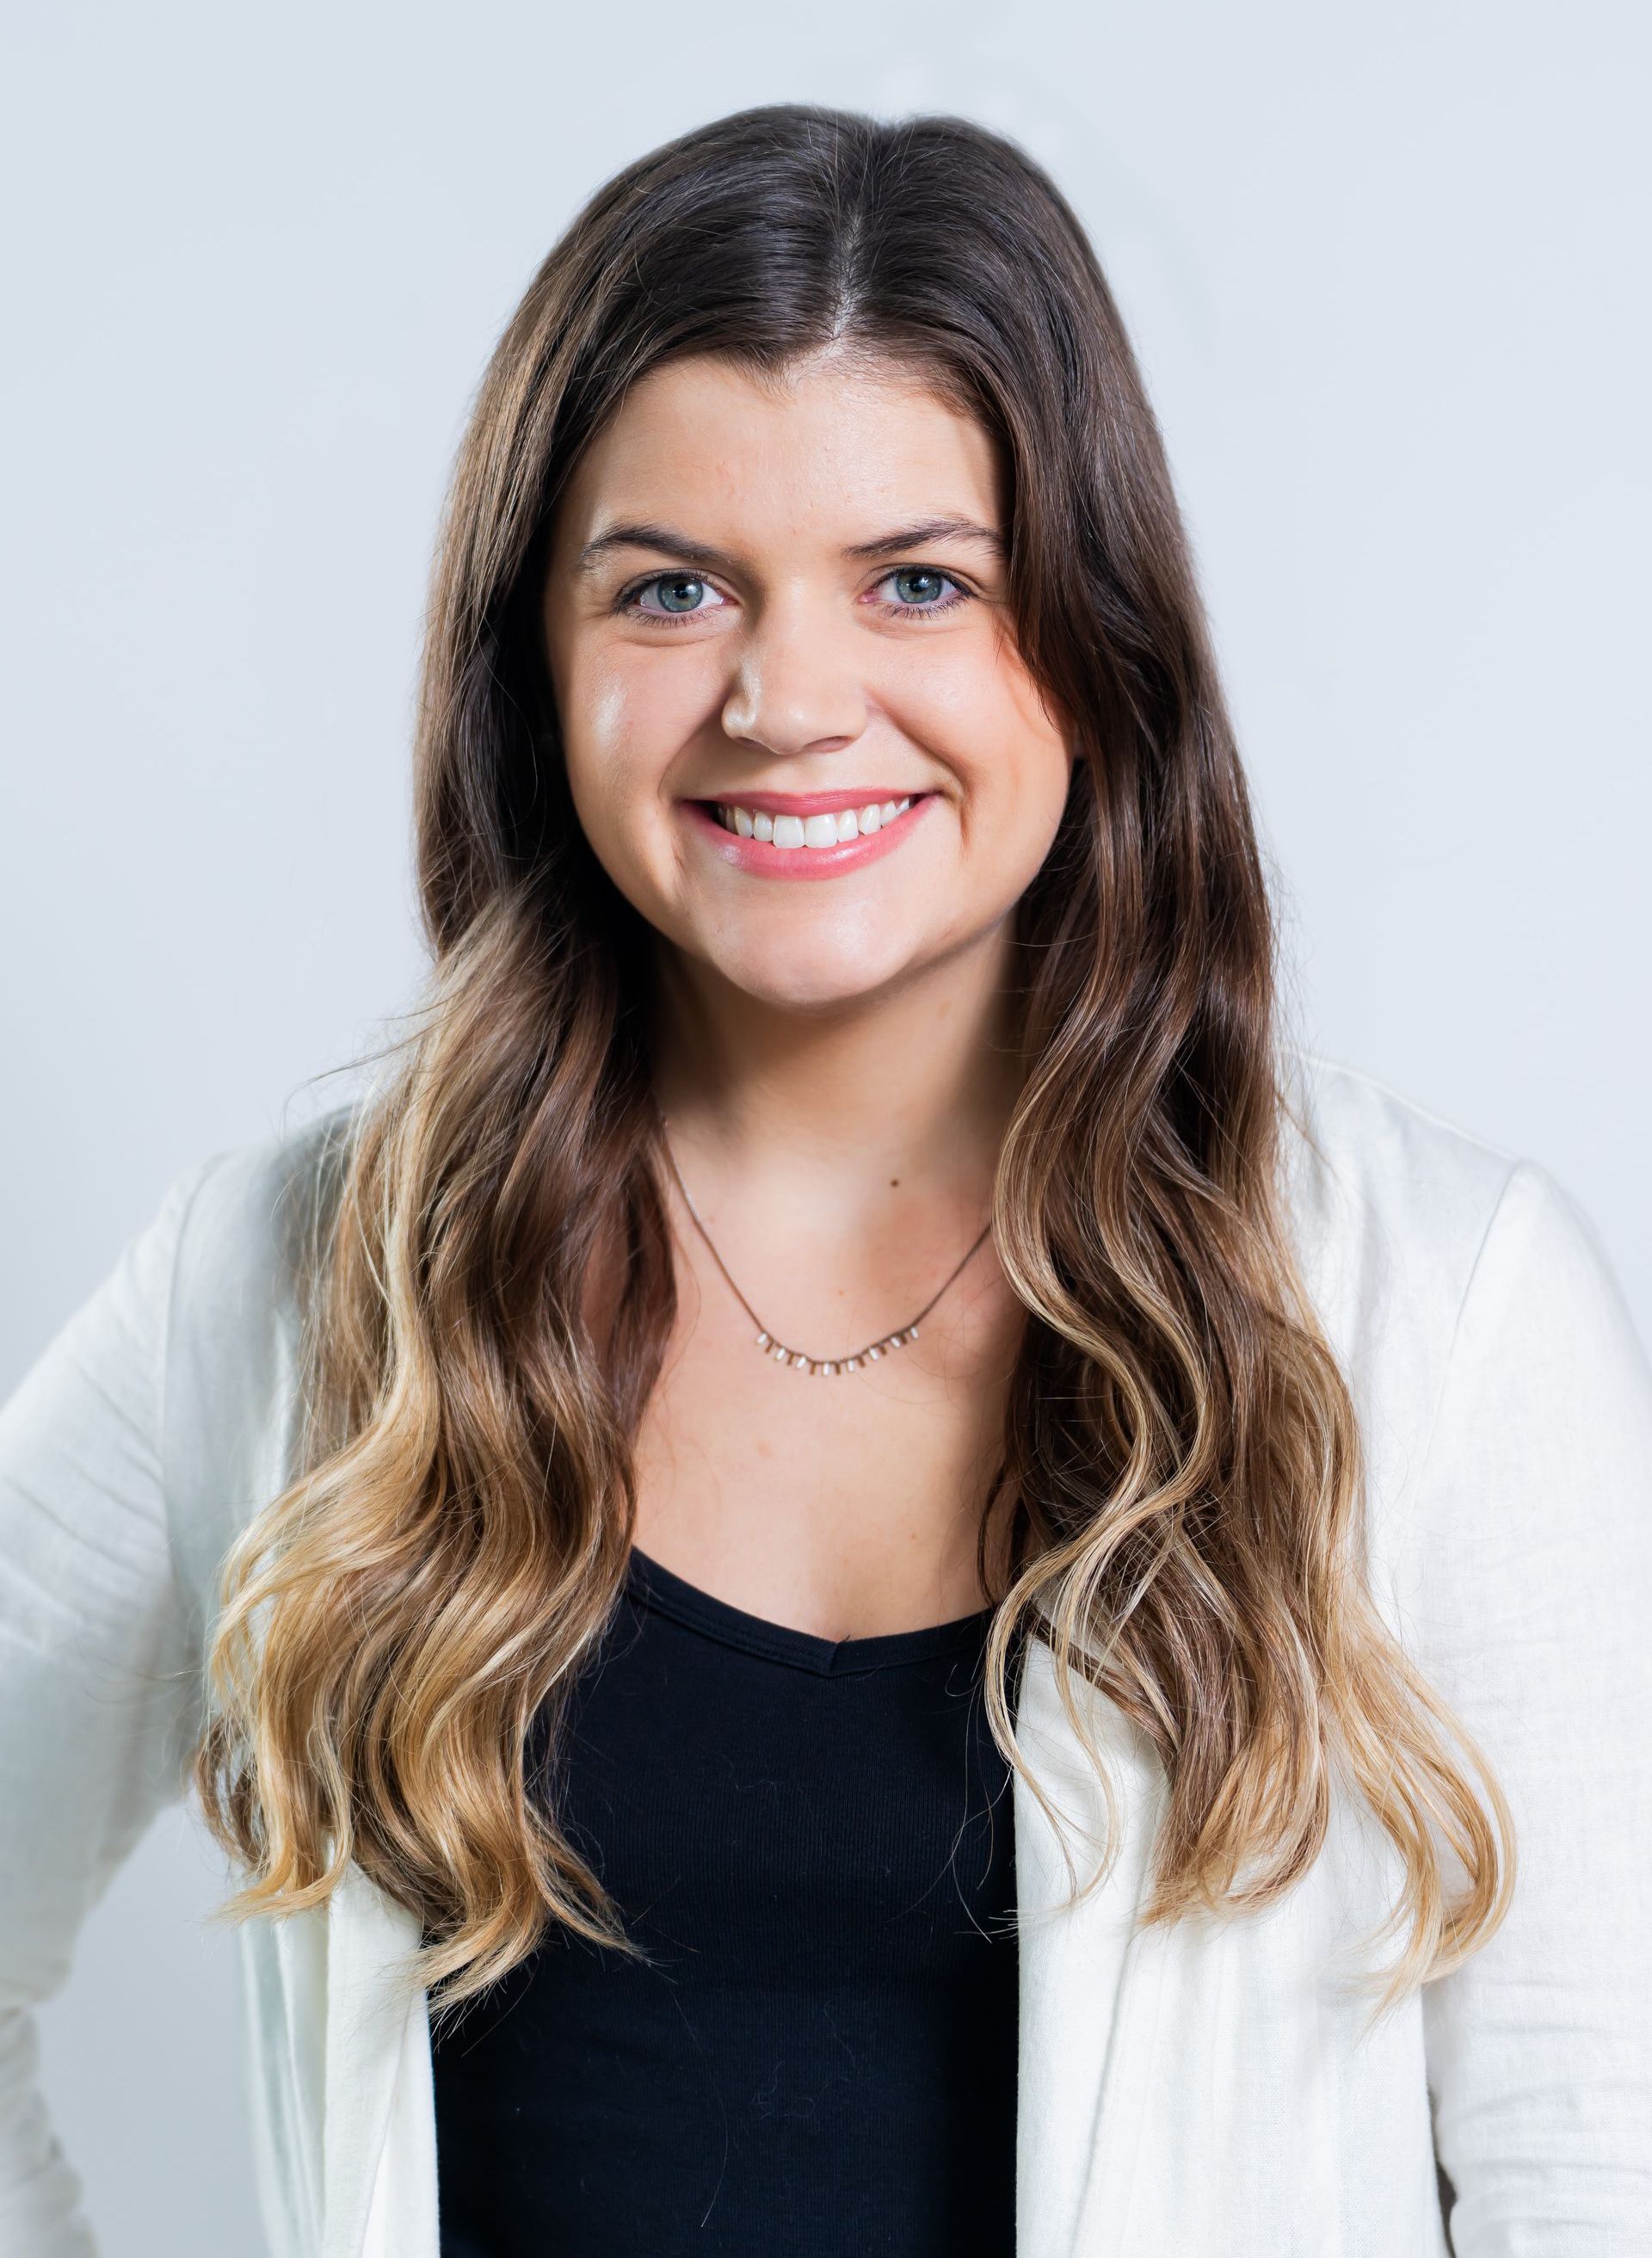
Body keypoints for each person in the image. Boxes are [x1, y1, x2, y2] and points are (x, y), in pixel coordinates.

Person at [2, 101, 1649, 2258]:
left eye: (921, 583)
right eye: (673, 588)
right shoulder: (293, 1284)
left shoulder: (1438, 1312)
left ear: (1093, 640)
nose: (788, 699)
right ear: (539, 663)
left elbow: (1592, 2168)